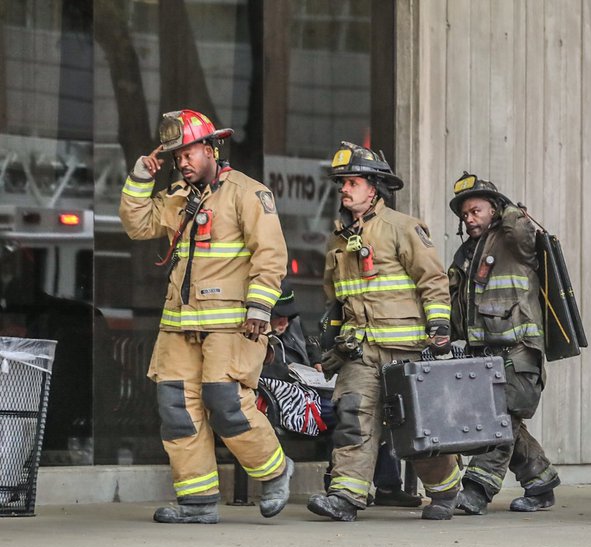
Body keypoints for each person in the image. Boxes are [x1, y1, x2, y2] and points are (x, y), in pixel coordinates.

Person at [119, 109, 292, 523]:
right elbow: (137, 224)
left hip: (232, 325)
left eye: (190, 153)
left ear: (212, 148)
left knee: (227, 403)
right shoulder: (179, 197)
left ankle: (275, 471)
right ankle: (196, 502)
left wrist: (259, 309)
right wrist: (142, 177)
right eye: (177, 157)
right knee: (177, 408)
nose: (182, 162)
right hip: (180, 325)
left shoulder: (248, 193)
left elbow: (271, 255)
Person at [306, 142, 462, 522]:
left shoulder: (403, 228)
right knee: (351, 419)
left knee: (416, 428)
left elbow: (433, 279)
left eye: (352, 181)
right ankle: (346, 496)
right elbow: (335, 297)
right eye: (342, 182)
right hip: (360, 351)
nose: (344, 188)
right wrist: (331, 336)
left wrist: (439, 324)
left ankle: (446, 490)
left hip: (404, 348)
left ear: (374, 187)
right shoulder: (339, 238)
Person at [448, 173, 562, 515]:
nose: (469, 219)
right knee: (505, 422)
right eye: (465, 214)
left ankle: (476, 490)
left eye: (476, 210)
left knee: (499, 422)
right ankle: (541, 481)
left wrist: (509, 210)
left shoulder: (514, 241)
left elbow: (525, 233)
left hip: (518, 352)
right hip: (482, 356)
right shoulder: (466, 253)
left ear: (494, 209)